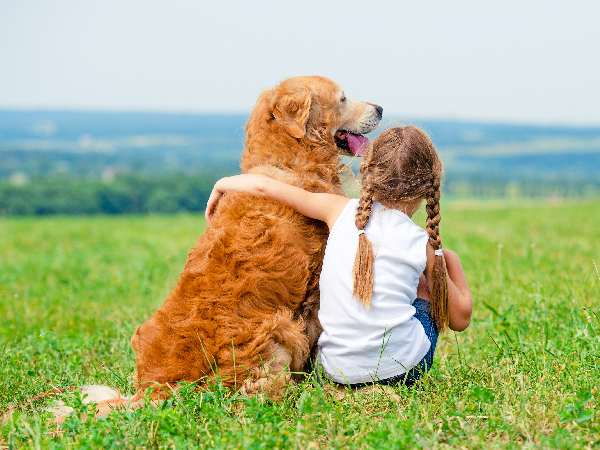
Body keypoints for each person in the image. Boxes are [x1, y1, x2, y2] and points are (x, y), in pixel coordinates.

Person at [205, 126, 472, 388]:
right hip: (402, 371)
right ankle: (391, 358)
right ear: (428, 187)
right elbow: (460, 319)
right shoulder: (421, 243)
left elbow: (264, 186)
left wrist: (221, 184)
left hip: (333, 371)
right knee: (425, 284)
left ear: (367, 172)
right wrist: (448, 260)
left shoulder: (336, 210)